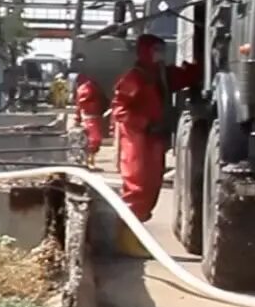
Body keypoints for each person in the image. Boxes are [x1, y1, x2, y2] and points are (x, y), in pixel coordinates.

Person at [108, 33, 200, 222]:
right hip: (137, 138)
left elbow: (183, 77)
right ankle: (127, 226)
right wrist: (142, 124)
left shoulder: (161, 75)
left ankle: (136, 223)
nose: (160, 54)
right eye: (156, 50)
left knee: (152, 183)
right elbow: (119, 108)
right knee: (137, 182)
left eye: (161, 50)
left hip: (154, 137)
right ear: (145, 51)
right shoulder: (134, 77)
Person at [72, 74, 108, 169]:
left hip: (92, 117)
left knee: (93, 140)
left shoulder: (86, 88)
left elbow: (79, 105)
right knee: (94, 140)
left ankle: (89, 161)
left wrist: (77, 119)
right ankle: (88, 162)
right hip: (91, 117)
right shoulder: (90, 88)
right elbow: (80, 105)